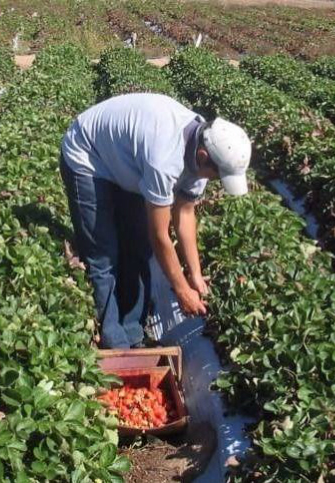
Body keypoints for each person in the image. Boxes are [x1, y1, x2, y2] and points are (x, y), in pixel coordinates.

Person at [60, 93, 251, 349]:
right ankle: (113, 341)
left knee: (139, 248)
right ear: (204, 157)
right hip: (89, 154)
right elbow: (160, 235)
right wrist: (181, 290)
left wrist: (194, 275)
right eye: (217, 176)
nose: (214, 181)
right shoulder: (164, 158)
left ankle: (132, 332)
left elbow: (184, 214)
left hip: (127, 161)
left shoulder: (204, 146)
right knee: (104, 254)